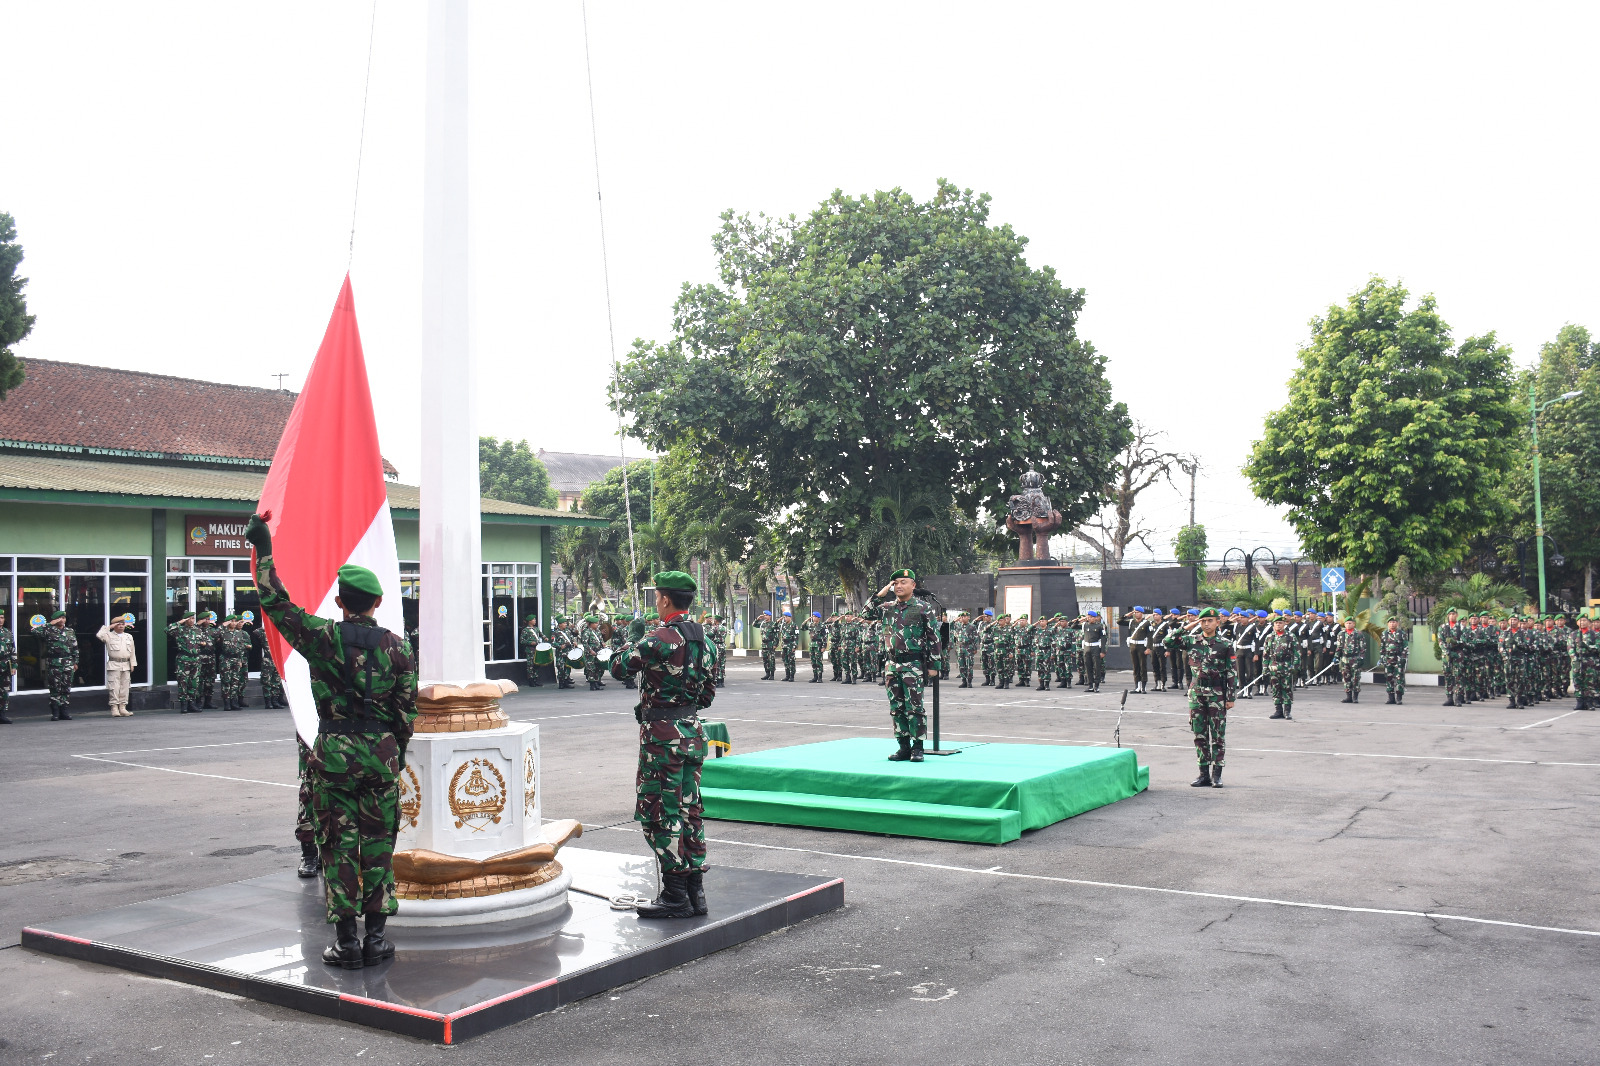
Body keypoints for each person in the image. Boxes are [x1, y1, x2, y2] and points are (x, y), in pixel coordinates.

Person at [246, 513, 417, 969]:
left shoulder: (323, 638)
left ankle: (346, 943)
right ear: (377, 601)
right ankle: (377, 938)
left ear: (340, 602)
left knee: (337, 845)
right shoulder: (398, 648)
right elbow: (406, 713)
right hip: (380, 757)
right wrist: (392, 752)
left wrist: (263, 549)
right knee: (379, 844)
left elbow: (275, 603)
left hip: (335, 757)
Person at [610, 571, 719, 919]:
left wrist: (631, 638)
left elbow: (618, 668)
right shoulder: (707, 641)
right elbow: (707, 695)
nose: (655, 601)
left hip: (662, 737)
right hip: (691, 732)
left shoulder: (659, 639)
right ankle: (694, 891)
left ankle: (674, 894)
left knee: (658, 812)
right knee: (690, 810)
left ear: (665, 599)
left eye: (656, 596)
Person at [861, 569, 942, 762]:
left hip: (912, 663)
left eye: (903, 582)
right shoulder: (886, 607)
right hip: (891, 664)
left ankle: (918, 748)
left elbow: (933, 637)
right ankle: (903, 747)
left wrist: (934, 664)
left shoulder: (923, 608)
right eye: (895, 583)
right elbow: (866, 613)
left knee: (914, 707)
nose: (898, 586)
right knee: (896, 707)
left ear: (913, 585)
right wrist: (880, 594)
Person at [1174, 608, 1236, 787]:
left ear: (1218, 622)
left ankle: (1217, 775)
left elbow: (1232, 672)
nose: (1206, 624)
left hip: (1216, 694)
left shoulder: (1224, 644)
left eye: (1209, 620)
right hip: (1197, 694)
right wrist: (1188, 626)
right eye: (1203, 621)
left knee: (1217, 735)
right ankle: (1203, 774)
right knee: (1199, 734)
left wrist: (1230, 697)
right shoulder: (1192, 641)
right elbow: (1168, 641)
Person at [33, 610, 78, 721]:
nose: (62, 620)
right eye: (60, 618)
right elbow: (34, 631)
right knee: (55, 687)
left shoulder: (69, 631)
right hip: (54, 662)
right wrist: (50, 624)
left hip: (68, 661)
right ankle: (55, 711)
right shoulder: (48, 630)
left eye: (64, 618)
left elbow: (75, 647)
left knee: (66, 687)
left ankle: (64, 710)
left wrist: (75, 661)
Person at [97, 614, 138, 717]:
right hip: (114, 664)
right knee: (114, 687)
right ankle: (114, 708)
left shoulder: (128, 636)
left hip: (126, 664)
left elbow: (132, 652)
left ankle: (123, 707)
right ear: (114, 625)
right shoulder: (109, 635)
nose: (121, 626)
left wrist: (132, 664)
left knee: (125, 687)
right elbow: (99, 635)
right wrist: (109, 627)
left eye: (123, 624)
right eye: (118, 624)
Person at [1262, 613, 1301, 720]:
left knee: (1287, 688)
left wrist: (1296, 666)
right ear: (1273, 625)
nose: (1278, 625)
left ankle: (1287, 711)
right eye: (1276, 623)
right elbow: (1265, 654)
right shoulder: (1270, 637)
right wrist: (1265, 668)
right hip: (1273, 665)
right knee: (1275, 688)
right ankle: (1278, 710)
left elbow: (1296, 652)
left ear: (1284, 624)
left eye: (1280, 623)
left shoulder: (1290, 636)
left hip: (1286, 665)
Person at [167, 610, 203, 713]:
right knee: (183, 682)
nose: (192, 620)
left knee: (194, 682)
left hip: (195, 659)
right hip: (183, 659)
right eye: (190, 619)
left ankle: (192, 703)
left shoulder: (198, 630)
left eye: (193, 618)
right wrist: (180, 622)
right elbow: (167, 629)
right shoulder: (180, 630)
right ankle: (184, 704)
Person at [251, 618, 286, 709]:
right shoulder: (264, 633)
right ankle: (268, 701)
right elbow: (255, 632)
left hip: (277, 660)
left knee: (276, 681)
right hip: (268, 659)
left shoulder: (279, 633)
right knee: (267, 681)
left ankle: (275, 700)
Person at [1380, 617, 1409, 705]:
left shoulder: (1401, 634)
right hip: (1388, 659)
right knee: (1389, 678)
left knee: (1399, 678)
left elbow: (1405, 647)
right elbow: (1382, 647)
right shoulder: (1384, 634)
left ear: (1397, 624)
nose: (1392, 624)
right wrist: (1382, 657)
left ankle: (1399, 697)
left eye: (1394, 622)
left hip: (1398, 659)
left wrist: (1403, 658)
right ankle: (1391, 697)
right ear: (1388, 624)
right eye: (1390, 622)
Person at [1336, 617, 1364, 703]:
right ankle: (1348, 696)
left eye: (1350, 623)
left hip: (1355, 658)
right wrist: (1336, 657)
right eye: (1347, 623)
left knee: (1356, 678)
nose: (1348, 625)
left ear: (1354, 624)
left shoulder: (1358, 634)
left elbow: (1362, 648)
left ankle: (1355, 697)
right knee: (1346, 678)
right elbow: (1339, 647)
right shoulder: (1341, 634)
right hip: (1345, 659)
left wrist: (1361, 658)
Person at [196, 611, 221, 709]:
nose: (208, 621)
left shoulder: (212, 631)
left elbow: (219, 636)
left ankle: (208, 701)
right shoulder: (196, 630)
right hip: (200, 658)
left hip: (211, 658)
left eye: (208, 619)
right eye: (205, 619)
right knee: (199, 681)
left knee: (210, 681)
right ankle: (198, 701)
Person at [1080, 611, 1106, 693]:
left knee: (1097, 667)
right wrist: (1081, 619)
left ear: (1095, 618)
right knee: (1088, 667)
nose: (1089, 618)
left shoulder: (1100, 626)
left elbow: (1103, 639)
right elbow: (1072, 625)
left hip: (1095, 647)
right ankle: (1090, 685)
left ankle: (1096, 685)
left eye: (1091, 617)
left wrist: (1102, 651)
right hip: (1087, 647)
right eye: (1088, 617)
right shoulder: (1085, 625)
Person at [580, 615, 606, 690]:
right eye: (595, 623)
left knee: (597, 668)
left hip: (598, 653)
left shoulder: (597, 631)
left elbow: (600, 640)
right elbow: (585, 643)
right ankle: (592, 685)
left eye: (597, 623)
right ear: (590, 624)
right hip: (590, 654)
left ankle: (596, 683)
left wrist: (603, 644)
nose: (597, 625)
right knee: (591, 669)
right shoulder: (586, 632)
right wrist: (590, 651)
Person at [951, 610, 975, 688]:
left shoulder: (971, 626)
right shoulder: (958, 625)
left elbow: (976, 638)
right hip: (960, 648)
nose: (963, 618)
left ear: (968, 617)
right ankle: (963, 681)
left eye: (965, 616)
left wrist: (974, 648)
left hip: (968, 648)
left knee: (969, 666)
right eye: (962, 617)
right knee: (961, 665)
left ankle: (969, 681)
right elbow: (950, 626)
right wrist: (955, 620)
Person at [521, 613, 545, 688]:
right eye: (533, 619)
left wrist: (545, 638)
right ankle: (531, 680)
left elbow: (541, 634)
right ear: (529, 621)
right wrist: (530, 642)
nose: (535, 621)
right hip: (530, 650)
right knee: (530, 666)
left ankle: (535, 679)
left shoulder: (536, 629)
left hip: (537, 649)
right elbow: (522, 641)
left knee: (537, 665)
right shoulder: (525, 630)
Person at [0, 607, 15, 724]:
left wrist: (14, 665)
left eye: (2, 617)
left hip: (5, 665)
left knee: (4, 691)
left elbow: (13, 651)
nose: (0, 620)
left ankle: (2, 714)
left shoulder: (8, 633)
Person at [778, 610, 799, 682]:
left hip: (790, 644)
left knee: (791, 660)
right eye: (784, 617)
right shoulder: (783, 625)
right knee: (785, 660)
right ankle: (787, 675)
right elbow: (780, 634)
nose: (785, 618)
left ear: (790, 617)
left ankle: (792, 676)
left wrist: (795, 646)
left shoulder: (794, 625)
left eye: (786, 617)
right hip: (784, 645)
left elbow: (796, 636)